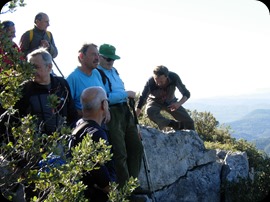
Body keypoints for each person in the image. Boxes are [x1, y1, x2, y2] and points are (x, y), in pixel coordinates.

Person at [97, 44, 144, 191]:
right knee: (119, 152)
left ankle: (133, 184)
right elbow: (105, 97)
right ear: (99, 57)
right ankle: (124, 189)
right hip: (113, 112)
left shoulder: (114, 71)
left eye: (113, 59)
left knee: (136, 147)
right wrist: (126, 94)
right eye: (108, 58)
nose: (111, 62)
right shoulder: (97, 73)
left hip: (125, 111)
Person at [14, 47, 78, 135]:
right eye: (30, 67)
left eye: (36, 67)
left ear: (49, 67)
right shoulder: (25, 89)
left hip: (62, 141)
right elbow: (15, 119)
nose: (32, 71)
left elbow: (72, 113)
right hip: (36, 143)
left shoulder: (61, 84)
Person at [70, 86, 116, 202]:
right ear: (103, 105)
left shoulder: (77, 126)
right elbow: (100, 175)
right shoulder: (96, 134)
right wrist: (114, 193)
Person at [136, 65, 195, 131]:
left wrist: (178, 104)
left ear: (167, 77)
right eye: (156, 81)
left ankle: (194, 138)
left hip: (171, 101)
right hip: (154, 101)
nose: (158, 84)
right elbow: (142, 99)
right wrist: (135, 118)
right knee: (149, 111)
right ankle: (173, 124)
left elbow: (186, 93)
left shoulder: (174, 77)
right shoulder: (150, 82)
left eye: (161, 81)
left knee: (189, 122)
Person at [66, 43, 106, 118]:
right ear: (82, 56)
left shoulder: (96, 73)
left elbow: (104, 96)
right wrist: (86, 114)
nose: (97, 58)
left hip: (101, 122)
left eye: (98, 55)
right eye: (93, 54)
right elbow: (68, 106)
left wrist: (107, 111)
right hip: (84, 123)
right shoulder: (73, 78)